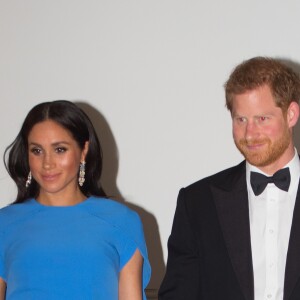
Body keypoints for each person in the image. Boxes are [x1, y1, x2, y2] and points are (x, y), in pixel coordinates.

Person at [158, 57, 300, 300]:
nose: (250, 134)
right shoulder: (197, 203)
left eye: (262, 119)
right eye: (240, 120)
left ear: (291, 115)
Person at [0, 100, 151, 300]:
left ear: (84, 150)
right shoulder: (5, 223)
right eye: (37, 150)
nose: (47, 163)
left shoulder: (121, 222)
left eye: (60, 149)